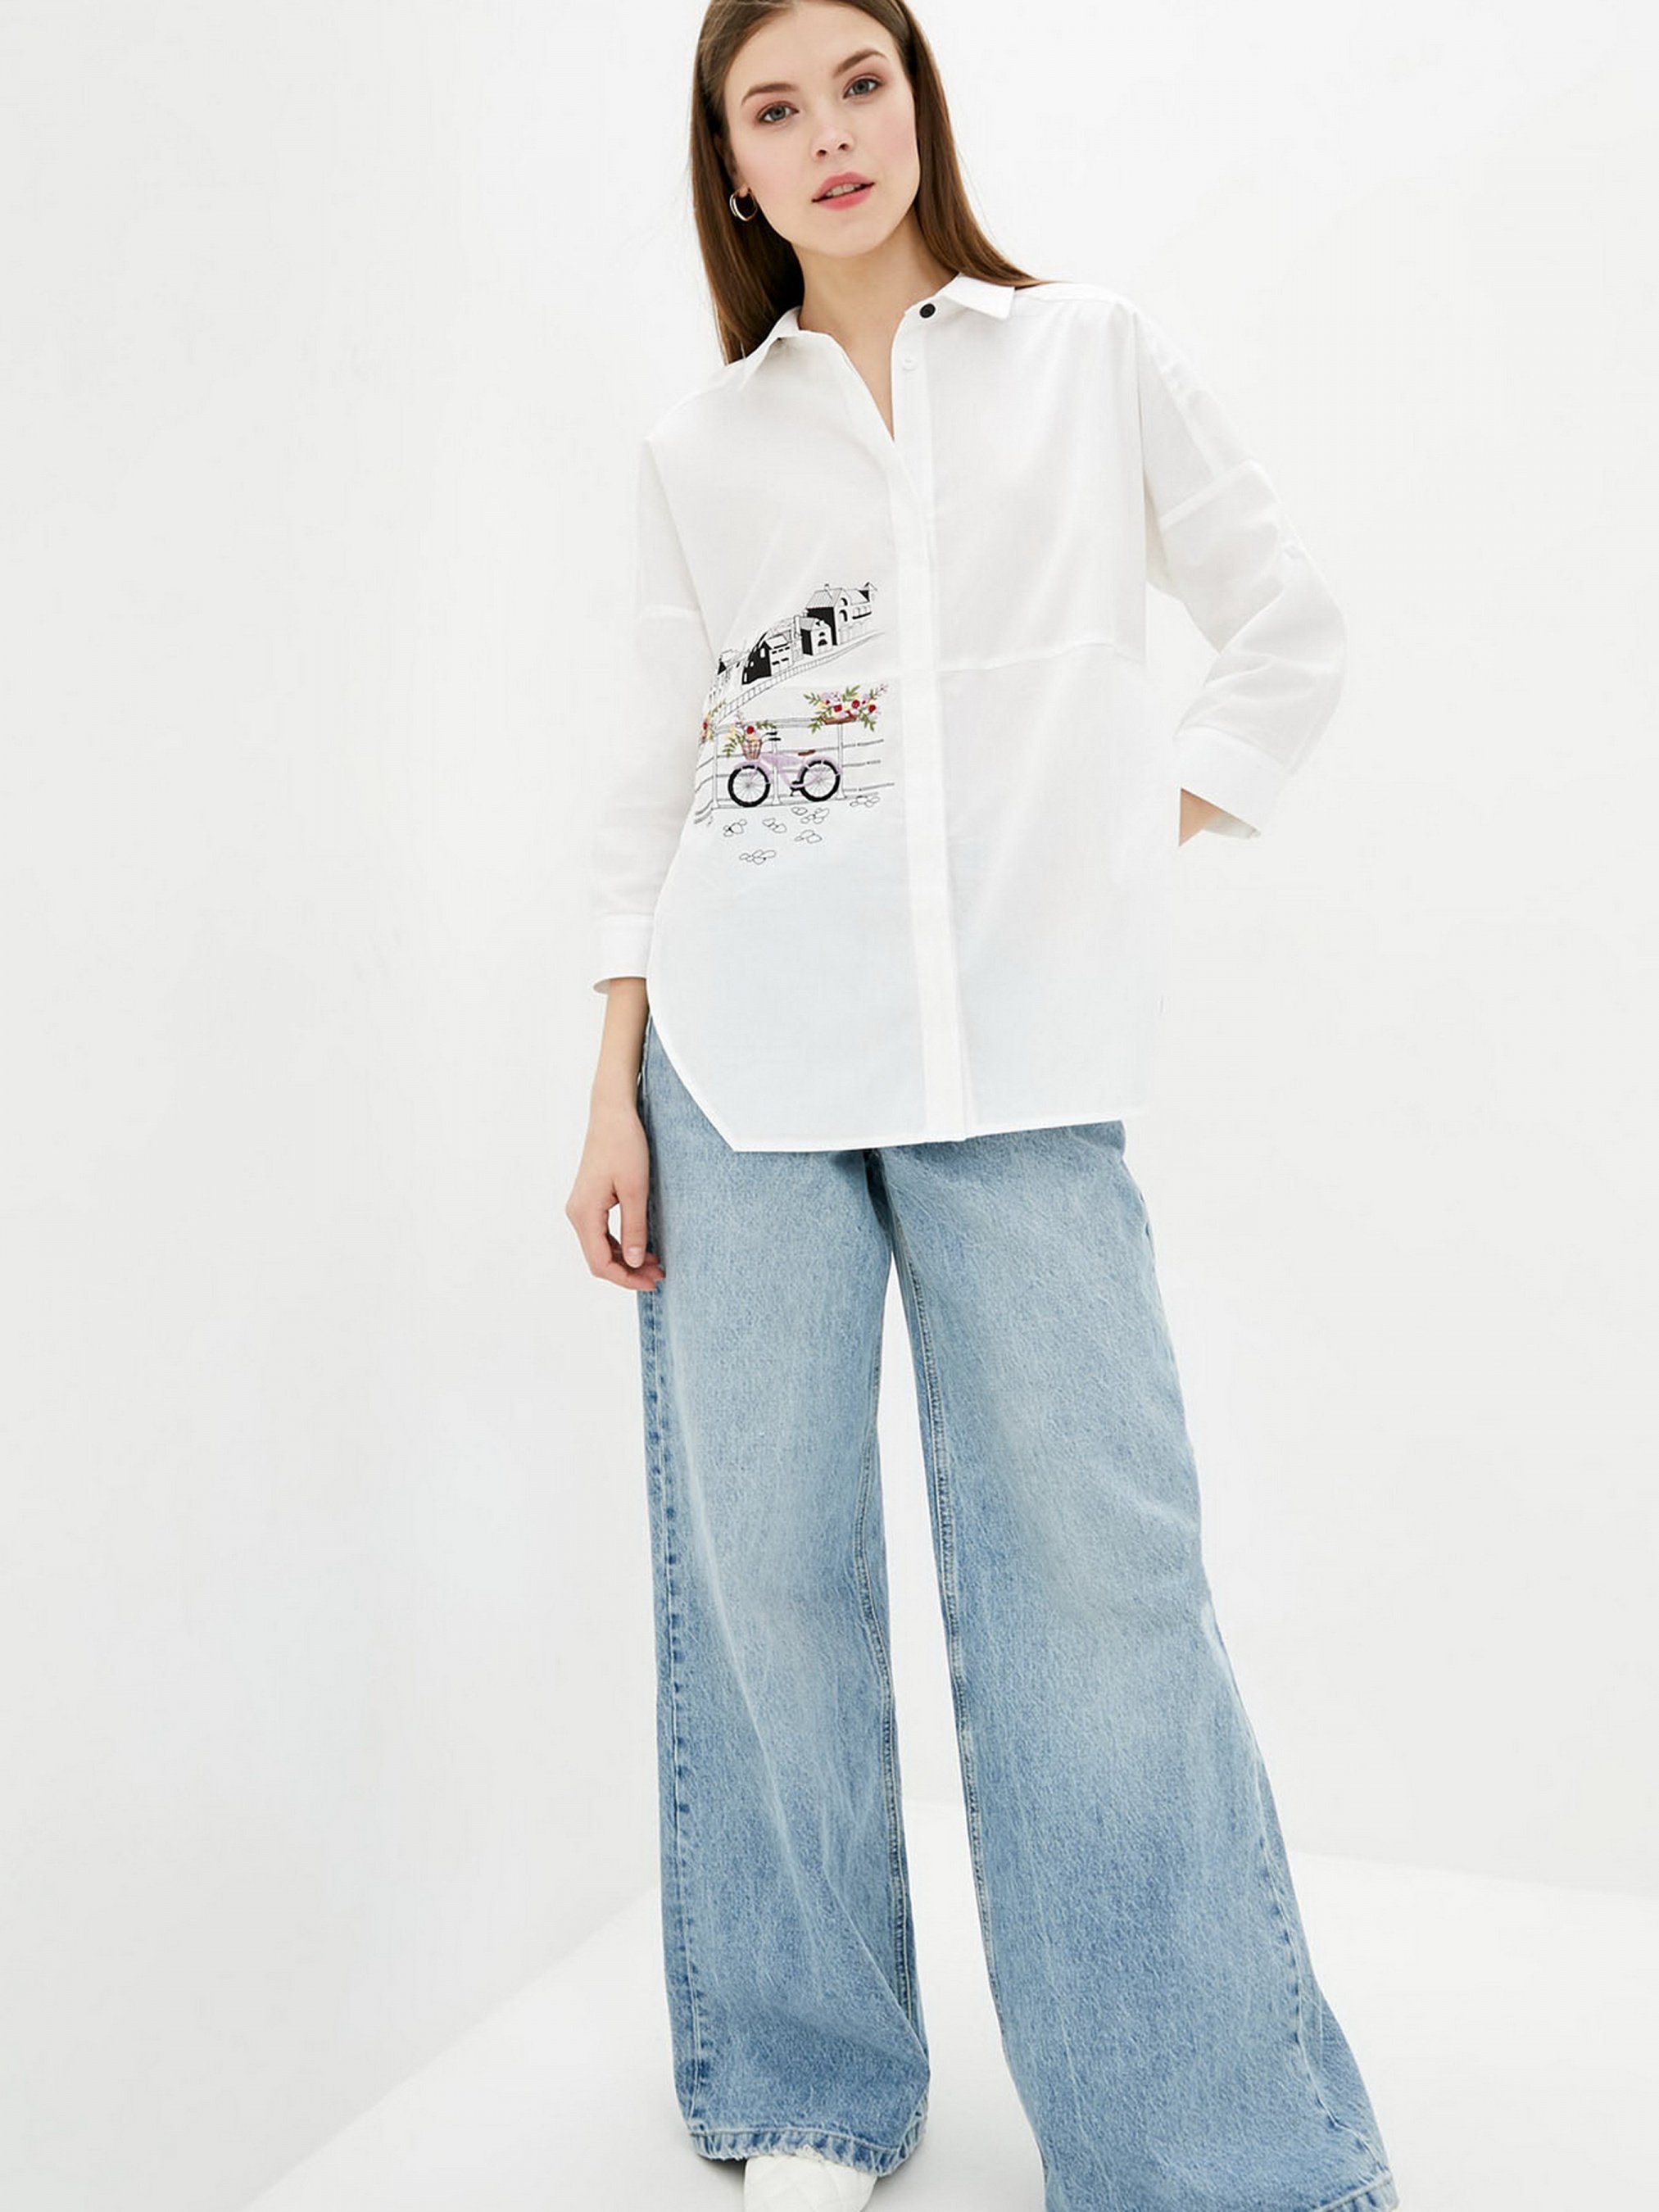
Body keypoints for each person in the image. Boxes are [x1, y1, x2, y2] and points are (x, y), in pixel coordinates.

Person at [567, 4, 1401, 2209]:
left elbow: (1286, 632)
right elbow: (645, 775)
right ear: (731, 167)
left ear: (919, 104)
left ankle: (1207, 2142)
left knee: (1103, 1592)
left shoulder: (1086, 357)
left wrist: (1137, 830)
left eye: (862, 83)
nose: (830, 135)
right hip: (739, 1059)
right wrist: (610, 1084)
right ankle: (803, 2087)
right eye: (774, 109)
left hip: (1022, 1066)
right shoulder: (702, 446)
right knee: (766, 1583)